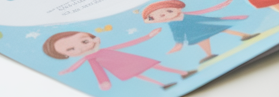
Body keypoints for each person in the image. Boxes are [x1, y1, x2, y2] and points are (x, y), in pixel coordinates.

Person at [43, 30, 194, 91]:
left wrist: (148, 36)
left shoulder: (103, 50)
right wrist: (103, 82)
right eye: (70, 50)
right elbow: (97, 69)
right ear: (64, 55)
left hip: (128, 60)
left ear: (92, 37)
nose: (82, 49)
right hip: (119, 68)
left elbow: (127, 44)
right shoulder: (91, 58)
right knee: (140, 75)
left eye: (84, 41)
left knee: (155, 67)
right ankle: (162, 84)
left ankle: (182, 72)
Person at [141, 0, 256, 63]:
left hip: (202, 26)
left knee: (223, 30)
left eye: (169, 11)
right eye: (159, 16)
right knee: (203, 40)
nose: (164, 15)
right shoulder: (174, 23)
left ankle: (245, 35)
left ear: (178, 9)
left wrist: (220, 19)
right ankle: (209, 55)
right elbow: (178, 34)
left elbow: (202, 18)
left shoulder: (184, 17)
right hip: (195, 33)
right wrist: (179, 44)